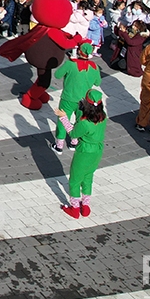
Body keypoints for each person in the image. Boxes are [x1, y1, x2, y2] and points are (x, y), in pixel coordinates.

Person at [56, 87, 107, 218]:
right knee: (88, 177)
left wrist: (63, 118)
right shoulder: (103, 118)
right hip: (97, 151)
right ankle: (85, 206)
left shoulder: (85, 123)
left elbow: (73, 133)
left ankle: (74, 208)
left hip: (85, 151)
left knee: (74, 179)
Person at [53, 43, 102, 154]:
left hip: (68, 97)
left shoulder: (70, 64)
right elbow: (98, 82)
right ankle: (74, 142)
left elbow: (57, 75)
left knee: (63, 118)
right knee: (80, 120)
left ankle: (59, 144)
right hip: (85, 101)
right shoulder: (94, 67)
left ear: (79, 51)